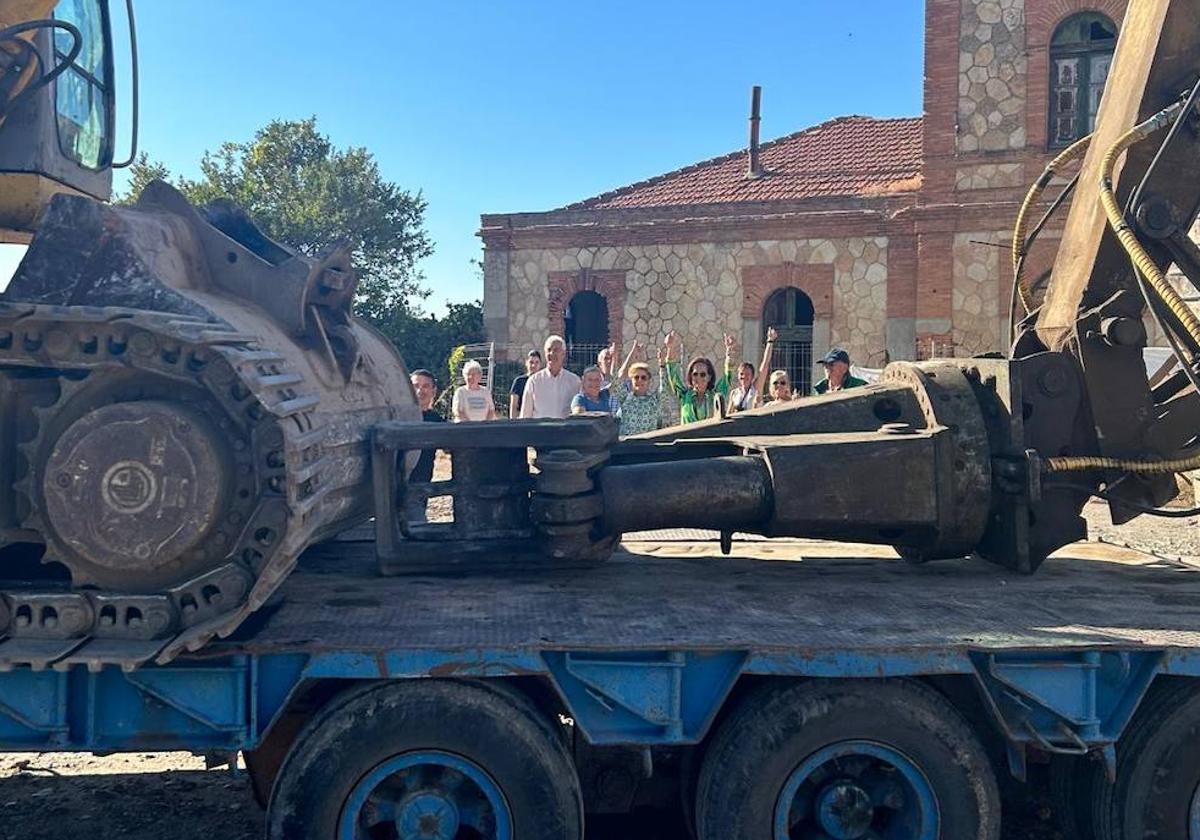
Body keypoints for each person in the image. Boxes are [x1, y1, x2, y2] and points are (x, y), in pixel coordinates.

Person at [662, 330, 735, 424]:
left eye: (703, 374)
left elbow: (727, 376)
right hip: (687, 438)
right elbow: (673, 374)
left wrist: (730, 353)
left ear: (709, 377)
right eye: (695, 374)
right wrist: (670, 348)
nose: (698, 378)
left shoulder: (715, 395)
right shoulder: (684, 395)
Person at [408, 369, 445, 522]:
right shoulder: (398, 417)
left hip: (422, 482)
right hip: (399, 482)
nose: (420, 391)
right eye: (416, 386)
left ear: (433, 391)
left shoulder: (436, 419)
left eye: (425, 386)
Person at [520, 335, 581, 419]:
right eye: (549, 350)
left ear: (563, 354)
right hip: (541, 430)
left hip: (565, 430)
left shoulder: (574, 381)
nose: (551, 353)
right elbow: (525, 415)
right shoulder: (534, 381)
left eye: (556, 350)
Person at [610, 340, 662, 436]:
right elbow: (615, 379)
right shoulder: (625, 398)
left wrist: (662, 366)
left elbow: (665, 389)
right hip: (628, 446)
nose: (640, 380)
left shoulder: (654, 400)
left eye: (643, 378)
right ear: (631, 380)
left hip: (649, 446)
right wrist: (615, 358)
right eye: (636, 377)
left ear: (649, 380)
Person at [732, 326, 778, 412]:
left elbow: (764, 365)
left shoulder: (756, 389)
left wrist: (770, 341)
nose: (744, 377)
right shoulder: (734, 393)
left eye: (748, 374)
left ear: (752, 377)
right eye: (741, 374)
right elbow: (728, 414)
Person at [509, 349, 542, 417]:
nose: (533, 365)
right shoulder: (519, 381)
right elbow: (514, 405)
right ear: (526, 363)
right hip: (523, 420)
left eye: (536, 362)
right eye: (531, 362)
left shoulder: (544, 381)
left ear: (540, 364)